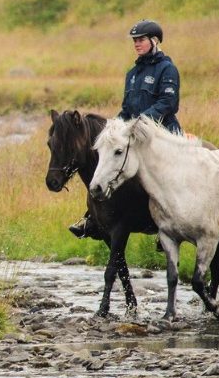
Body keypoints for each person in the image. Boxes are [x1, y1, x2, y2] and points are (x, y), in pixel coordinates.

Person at [70, 19, 182, 238]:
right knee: (109, 167)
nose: (136, 44)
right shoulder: (132, 74)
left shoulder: (167, 69)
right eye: (134, 41)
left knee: (166, 179)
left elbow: (168, 104)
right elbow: (126, 108)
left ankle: (171, 226)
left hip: (163, 134)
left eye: (140, 40)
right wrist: (113, 126)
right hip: (134, 135)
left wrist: (138, 122)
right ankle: (92, 218)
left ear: (154, 40)